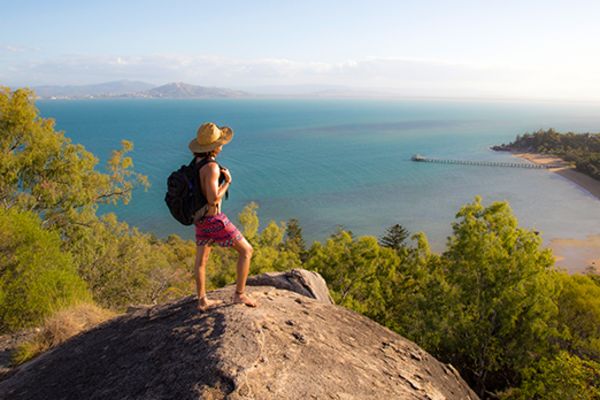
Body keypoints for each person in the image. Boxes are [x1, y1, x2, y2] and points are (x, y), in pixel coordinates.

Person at [188, 122, 258, 311]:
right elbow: (213, 199)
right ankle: (239, 295)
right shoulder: (211, 167)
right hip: (214, 220)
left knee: (201, 262)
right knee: (246, 251)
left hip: (200, 220)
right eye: (220, 143)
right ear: (214, 147)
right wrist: (227, 181)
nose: (221, 146)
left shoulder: (195, 164)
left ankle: (202, 300)